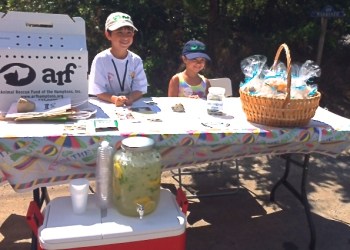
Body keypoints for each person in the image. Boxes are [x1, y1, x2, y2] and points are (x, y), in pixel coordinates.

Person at [89, 12, 147, 106]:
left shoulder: (136, 60)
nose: (125, 37)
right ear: (108, 35)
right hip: (106, 106)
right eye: (119, 32)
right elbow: (98, 90)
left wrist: (130, 98)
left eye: (129, 32)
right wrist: (114, 99)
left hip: (130, 106)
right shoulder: (100, 59)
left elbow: (140, 89)